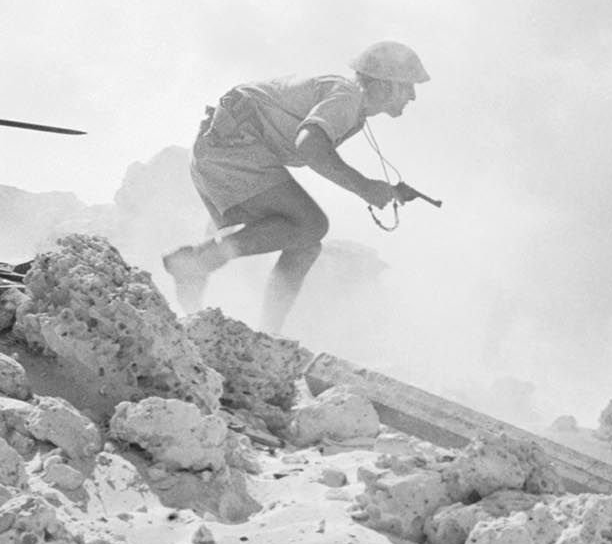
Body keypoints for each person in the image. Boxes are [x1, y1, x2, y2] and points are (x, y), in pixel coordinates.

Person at [162, 40, 430, 333]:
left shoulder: (349, 104)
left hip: (222, 149)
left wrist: (379, 189)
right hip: (231, 148)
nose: (413, 96)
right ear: (384, 84)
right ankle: (197, 263)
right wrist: (365, 187)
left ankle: (268, 334)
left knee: (305, 244)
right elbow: (310, 145)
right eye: (407, 86)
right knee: (312, 224)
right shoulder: (347, 97)